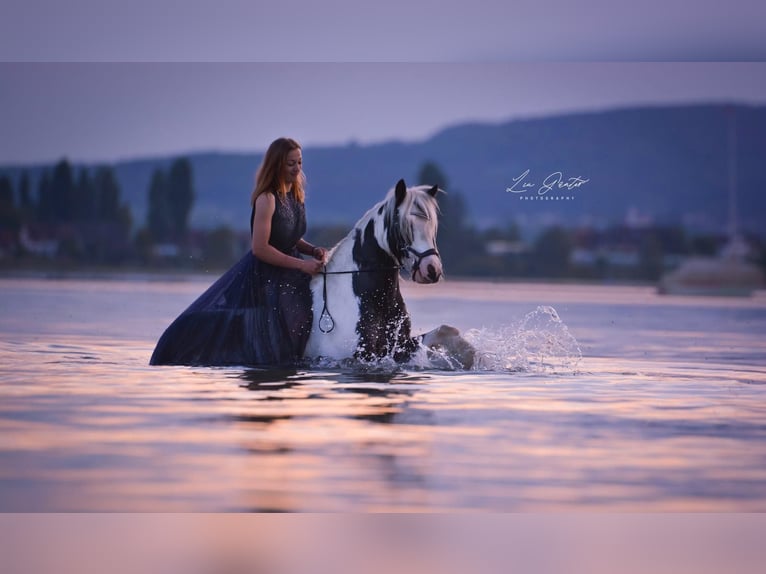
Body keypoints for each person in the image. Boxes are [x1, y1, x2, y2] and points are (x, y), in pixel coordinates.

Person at [150, 137, 327, 366]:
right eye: (290, 163)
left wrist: (312, 250)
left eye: (300, 162)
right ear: (277, 165)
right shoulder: (267, 199)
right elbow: (260, 248)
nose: (297, 169)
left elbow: (289, 237)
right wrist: (303, 265)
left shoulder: (295, 195)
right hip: (265, 279)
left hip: (290, 271)